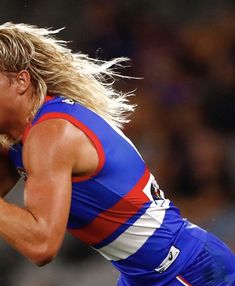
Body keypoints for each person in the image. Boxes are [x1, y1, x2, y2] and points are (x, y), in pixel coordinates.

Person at [0, 22, 234, 286]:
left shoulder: (51, 134)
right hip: (147, 274)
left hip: (185, 270)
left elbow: (41, 245)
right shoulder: (22, 137)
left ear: (21, 81)